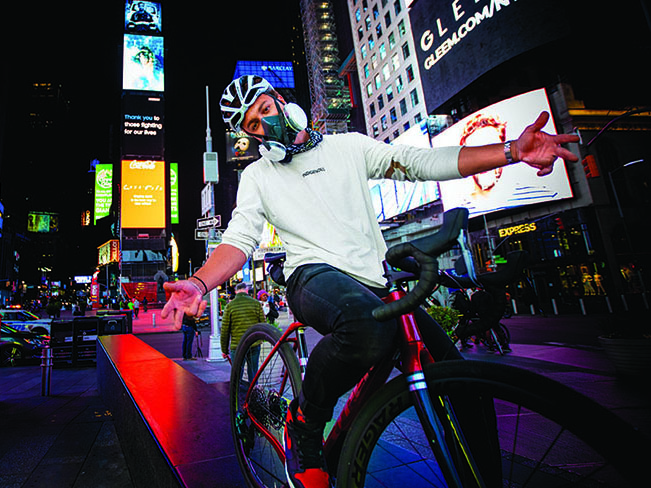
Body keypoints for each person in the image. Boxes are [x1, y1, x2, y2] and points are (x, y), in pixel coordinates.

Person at [162, 75, 579, 488]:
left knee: (464, 385)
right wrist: (199, 284)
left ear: (281, 101)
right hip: (312, 276)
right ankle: (305, 424)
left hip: (374, 280)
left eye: (265, 110)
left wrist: (510, 151)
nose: (264, 125)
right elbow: (239, 239)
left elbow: (419, 164)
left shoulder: (349, 147)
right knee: (366, 328)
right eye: (252, 125)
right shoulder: (258, 176)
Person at [221, 283, 266, 379]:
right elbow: (263, 324)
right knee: (253, 372)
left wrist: (224, 349)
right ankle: (253, 392)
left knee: (237, 374)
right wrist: (261, 340)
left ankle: (237, 393)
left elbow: (225, 330)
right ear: (247, 290)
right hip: (254, 343)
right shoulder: (256, 303)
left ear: (236, 291)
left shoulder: (230, 306)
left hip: (237, 345)